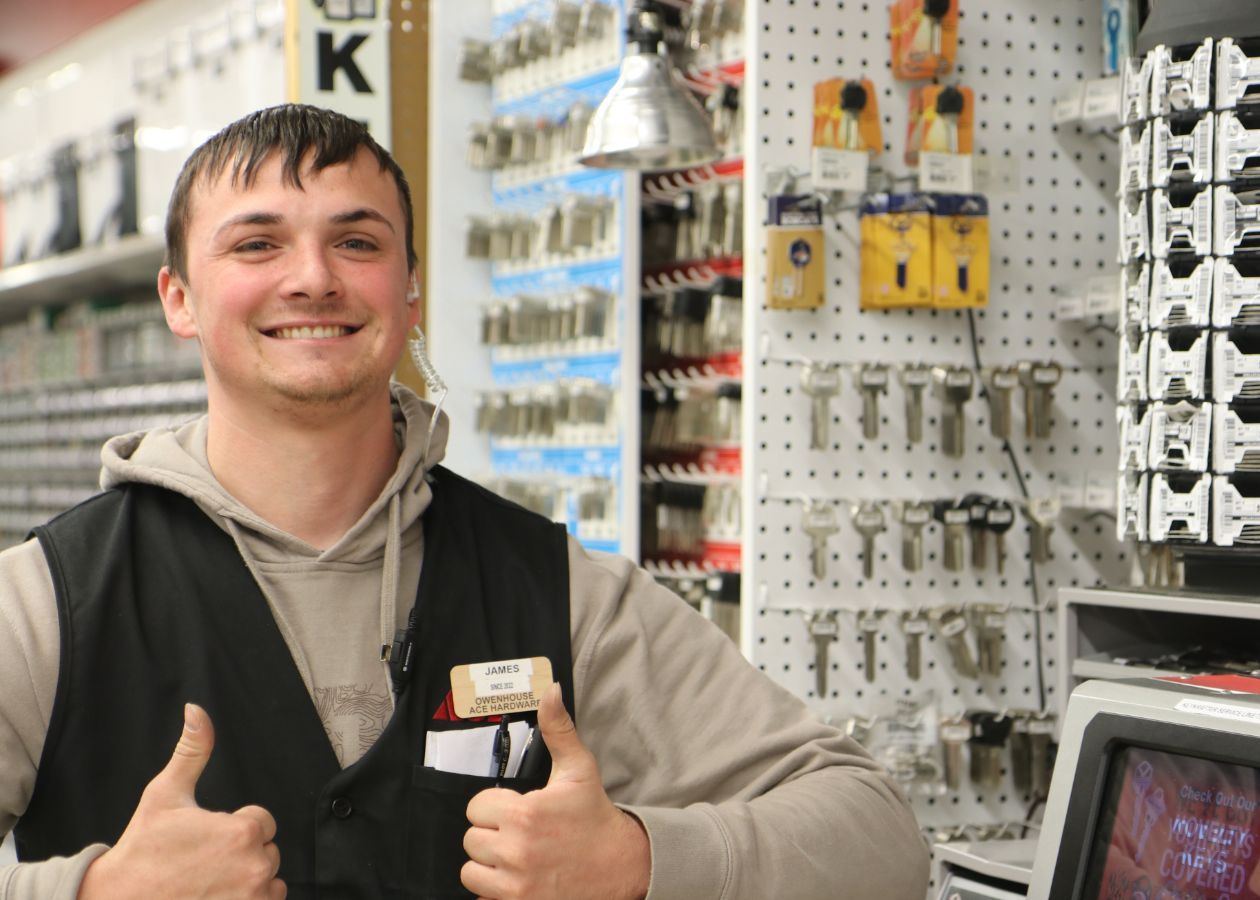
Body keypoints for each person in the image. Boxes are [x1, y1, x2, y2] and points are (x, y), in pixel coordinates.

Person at [0, 103, 928, 899]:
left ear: (408, 293)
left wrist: (642, 860)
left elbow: (880, 836)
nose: (314, 276)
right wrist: (88, 889)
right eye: (257, 243)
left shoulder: (564, 595)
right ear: (179, 297)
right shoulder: (44, 607)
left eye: (357, 242)